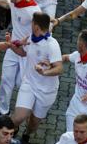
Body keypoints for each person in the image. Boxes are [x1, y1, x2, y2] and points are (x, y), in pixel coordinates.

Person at [10, 12, 63, 143]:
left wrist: (44, 73)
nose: (30, 25)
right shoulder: (30, 38)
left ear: (37, 27)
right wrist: (11, 46)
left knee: (33, 122)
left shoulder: (52, 44)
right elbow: (23, 53)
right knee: (18, 117)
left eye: (32, 23)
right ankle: (10, 131)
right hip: (29, 83)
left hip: (46, 90)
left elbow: (59, 68)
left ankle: (26, 134)